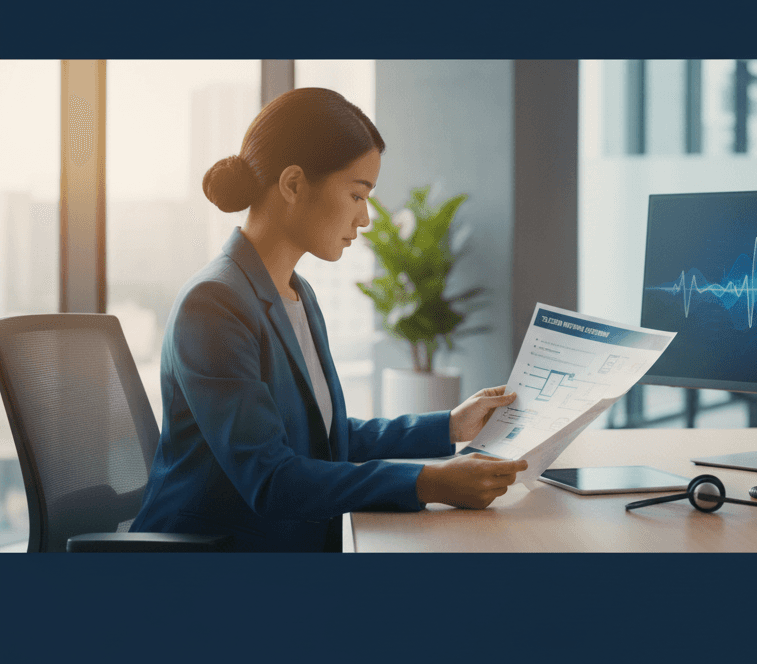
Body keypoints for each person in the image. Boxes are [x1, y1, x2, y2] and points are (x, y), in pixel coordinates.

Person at [131, 87, 527, 552]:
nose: (365, 218)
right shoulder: (214, 304)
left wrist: (449, 427)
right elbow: (272, 478)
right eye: (357, 194)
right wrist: (430, 482)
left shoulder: (297, 293)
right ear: (293, 184)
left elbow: (324, 438)